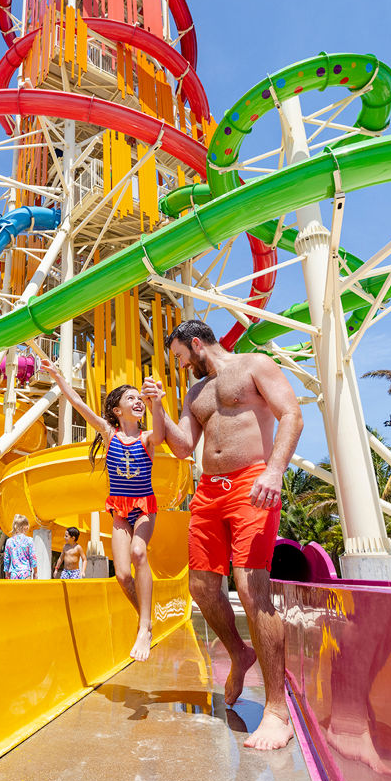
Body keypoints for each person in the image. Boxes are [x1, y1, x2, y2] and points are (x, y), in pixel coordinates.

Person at [142, 319, 303, 751]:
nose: (180, 365)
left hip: (252, 481)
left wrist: (275, 469)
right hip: (208, 492)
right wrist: (157, 406)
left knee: (252, 589)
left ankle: (276, 710)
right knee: (201, 588)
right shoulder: (195, 394)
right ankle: (238, 652)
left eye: (179, 356)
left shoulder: (255, 364)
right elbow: (180, 447)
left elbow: (292, 414)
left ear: (196, 344)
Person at [42, 361, 157, 662]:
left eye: (139, 398)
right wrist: (58, 377)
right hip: (120, 510)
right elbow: (79, 403)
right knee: (121, 575)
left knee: (139, 553)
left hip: (144, 507)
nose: (137, 401)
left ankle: (143, 628)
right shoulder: (110, 434)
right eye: (130, 398)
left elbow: (161, 435)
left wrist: (155, 401)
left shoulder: (146, 439)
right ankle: (145, 618)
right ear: (117, 410)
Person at [4, 515, 38, 580]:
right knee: (26, 590)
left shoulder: (9, 541)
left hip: (13, 573)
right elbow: (32, 557)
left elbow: (6, 559)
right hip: (25, 572)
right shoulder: (29, 540)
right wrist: (35, 572)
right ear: (25, 526)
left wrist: (7, 574)